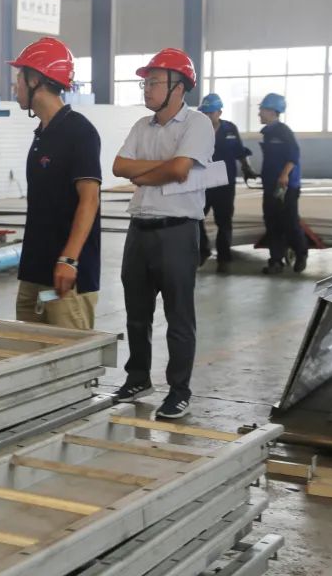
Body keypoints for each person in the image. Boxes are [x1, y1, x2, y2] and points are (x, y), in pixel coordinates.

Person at [111, 48, 214, 419]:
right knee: (137, 314)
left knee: (178, 317)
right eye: (145, 82)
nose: (147, 88)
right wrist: (162, 168)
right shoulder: (142, 126)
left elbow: (180, 169)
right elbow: (119, 166)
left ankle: (179, 390)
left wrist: (145, 173)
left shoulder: (197, 124)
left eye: (154, 82)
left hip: (177, 231)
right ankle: (138, 377)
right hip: (140, 229)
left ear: (178, 87)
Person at [9, 37, 102, 330]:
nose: (15, 85)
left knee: (70, 354)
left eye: (19, 77)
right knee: (28, 351)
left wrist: (69, 259)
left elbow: (89, 199)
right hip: (35, 270)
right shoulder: (42, 133)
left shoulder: (79, 132)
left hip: (67, 277)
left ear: (35, 79)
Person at [196, 93, 256, 271]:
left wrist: (247, 168)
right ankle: (203, 250)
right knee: (196, 217)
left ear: (219, 113)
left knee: (224, 221)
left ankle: (224, 258)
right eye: (204, 113)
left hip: (225, 183)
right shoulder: (196, 130)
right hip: (203, 182)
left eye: (210, 113)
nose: (207, 116)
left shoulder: (230, 129)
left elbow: (239, 151)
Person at [257, 92, 307, 274]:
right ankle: (276, 261)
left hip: (286, 186)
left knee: (290, 221)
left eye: (262, 110)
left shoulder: (283, 131)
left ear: (272, 111)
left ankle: (301, 254)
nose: (259, 113)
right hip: (271, 185)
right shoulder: (268, 132)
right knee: (272, 223)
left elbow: (294, 155)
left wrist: (284, 174)